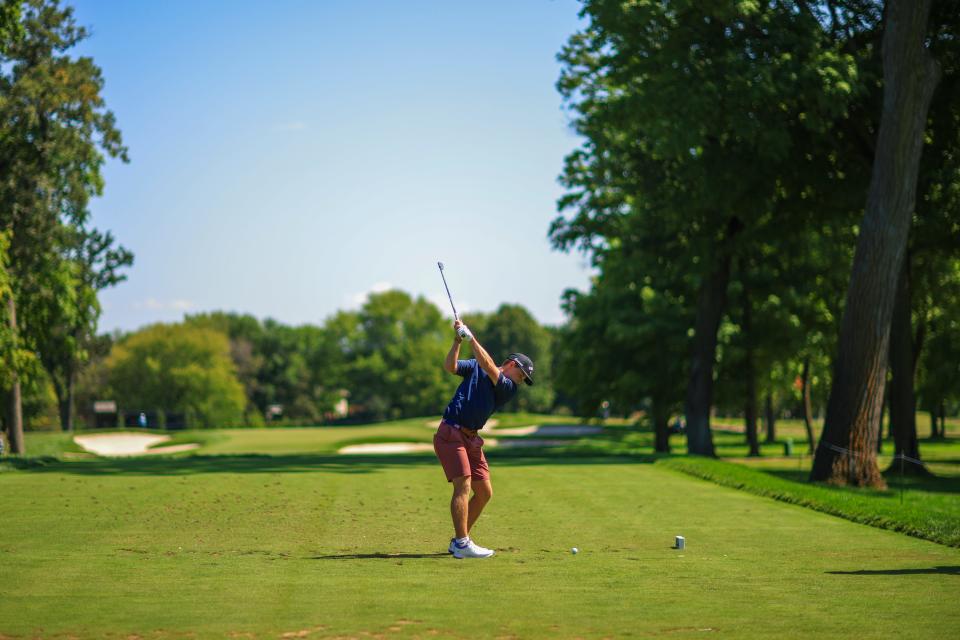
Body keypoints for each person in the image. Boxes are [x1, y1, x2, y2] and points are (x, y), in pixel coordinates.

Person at [433, 319, 534, 559]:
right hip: (451, 432)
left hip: (471, 438)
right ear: (512, 365)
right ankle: (461, 543)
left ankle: (459, 540)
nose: (523, 381)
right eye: (523, 375)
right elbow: (451, 366)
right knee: (464, 484)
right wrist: (458, 340)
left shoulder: (508, 387)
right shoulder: (476, 367)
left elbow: (488, 365)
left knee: (485, 491)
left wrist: (472, 338)